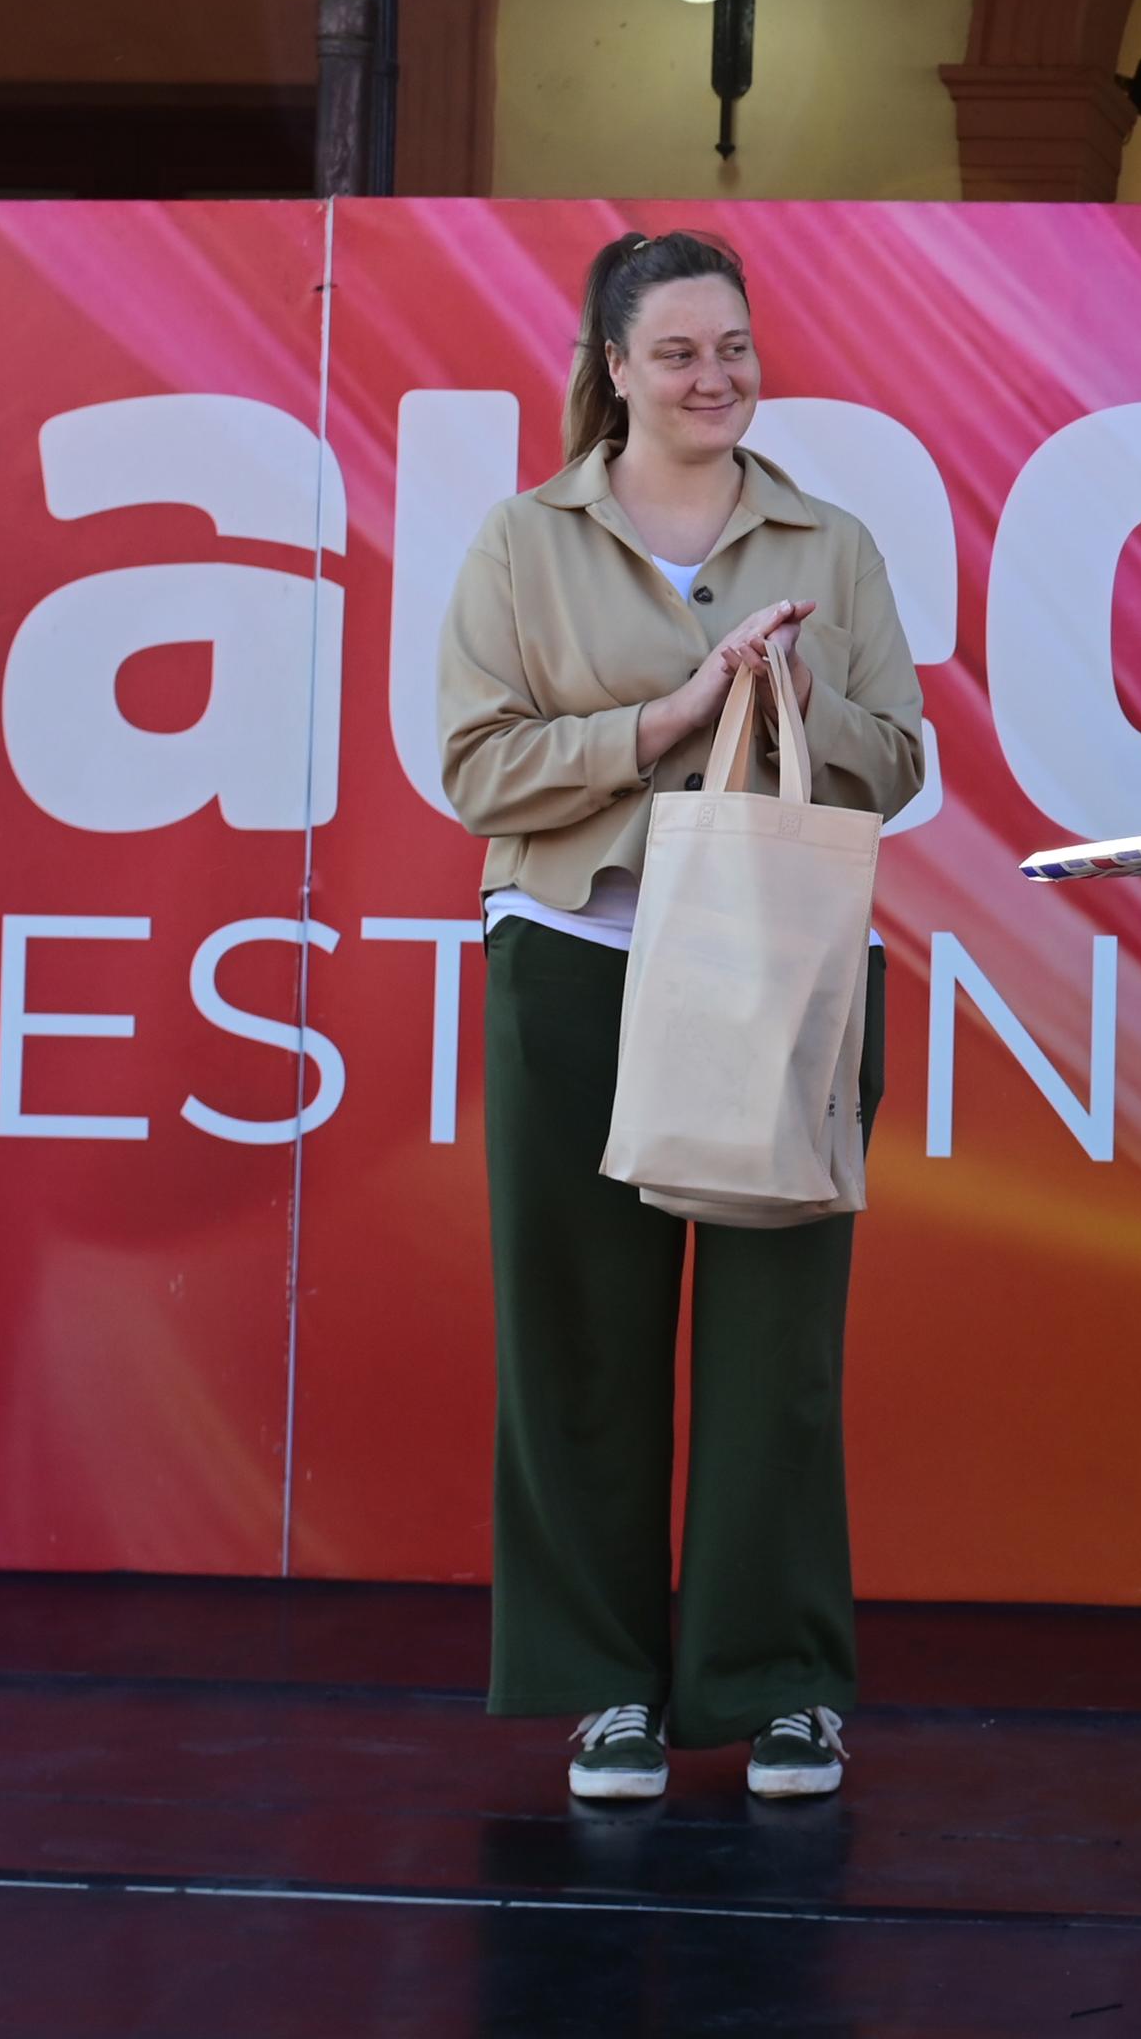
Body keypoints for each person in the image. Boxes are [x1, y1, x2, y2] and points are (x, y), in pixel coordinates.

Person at [437, 228, 926, 1808]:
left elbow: (899, 762)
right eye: (677, 354)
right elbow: (476, 769)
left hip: (778, 973)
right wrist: (671, 715)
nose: (714, 378)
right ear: (615, 368)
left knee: (778, 1344)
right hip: (577, 957)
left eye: (733, 348)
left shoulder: (828, 542)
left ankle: (782, 1688)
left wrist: (794, 698)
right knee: (578, 1339)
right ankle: (605, 1689)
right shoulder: (526, 540)